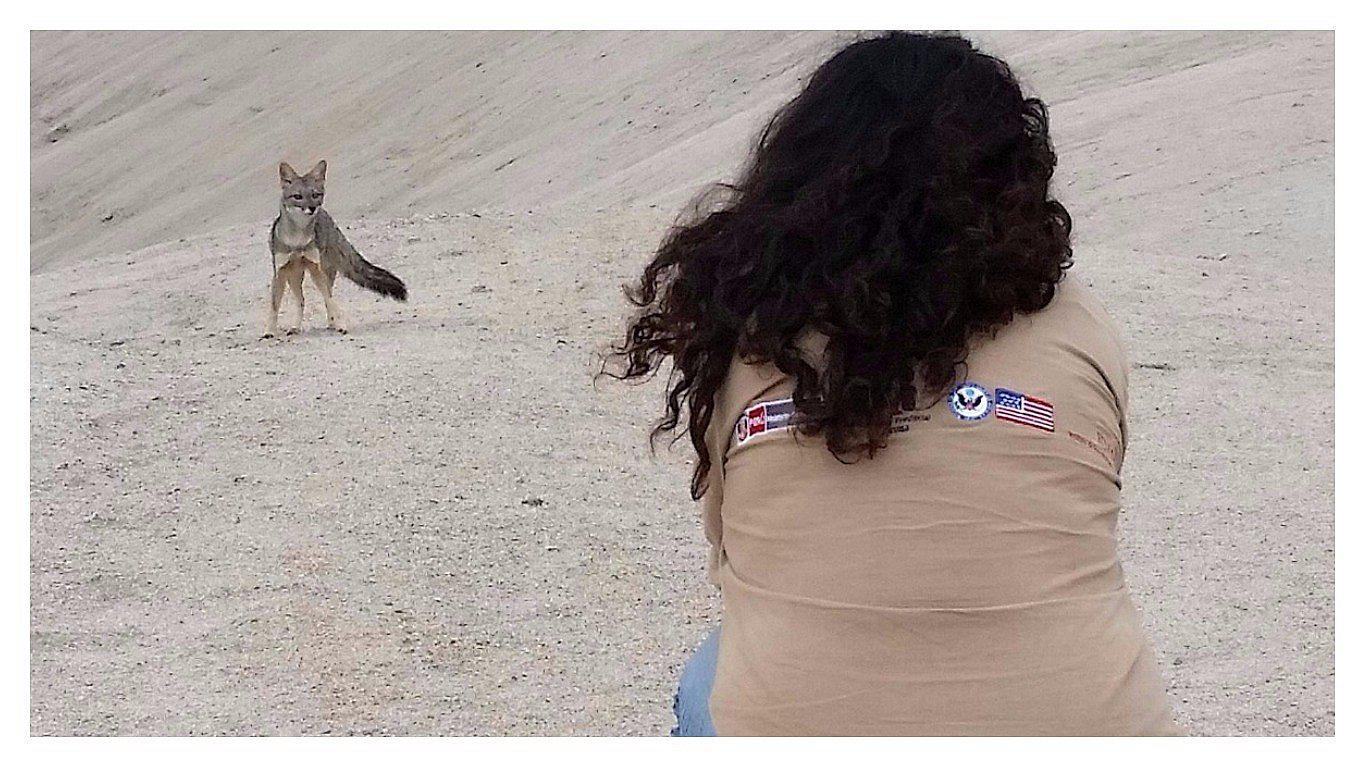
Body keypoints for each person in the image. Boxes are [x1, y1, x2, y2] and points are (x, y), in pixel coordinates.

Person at [608, 31, 1181, 736]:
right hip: (1087, 730)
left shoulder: (755, 343)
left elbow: (733, 553)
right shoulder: (1079, 325)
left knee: (712, 675)